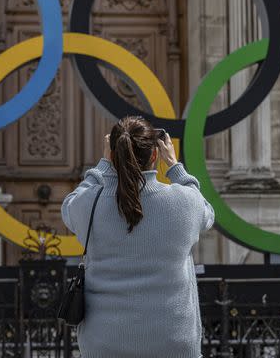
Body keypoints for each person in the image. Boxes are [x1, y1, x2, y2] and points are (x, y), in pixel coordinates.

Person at [61, 115, 214, 358]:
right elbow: (207, 212)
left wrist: (103, 167)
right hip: (172, 343)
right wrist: (175, 166)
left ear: (112, 155)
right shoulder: (183, 202)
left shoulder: (90, 203)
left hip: (104, 343)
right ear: (154, 155)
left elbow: (69, 206)